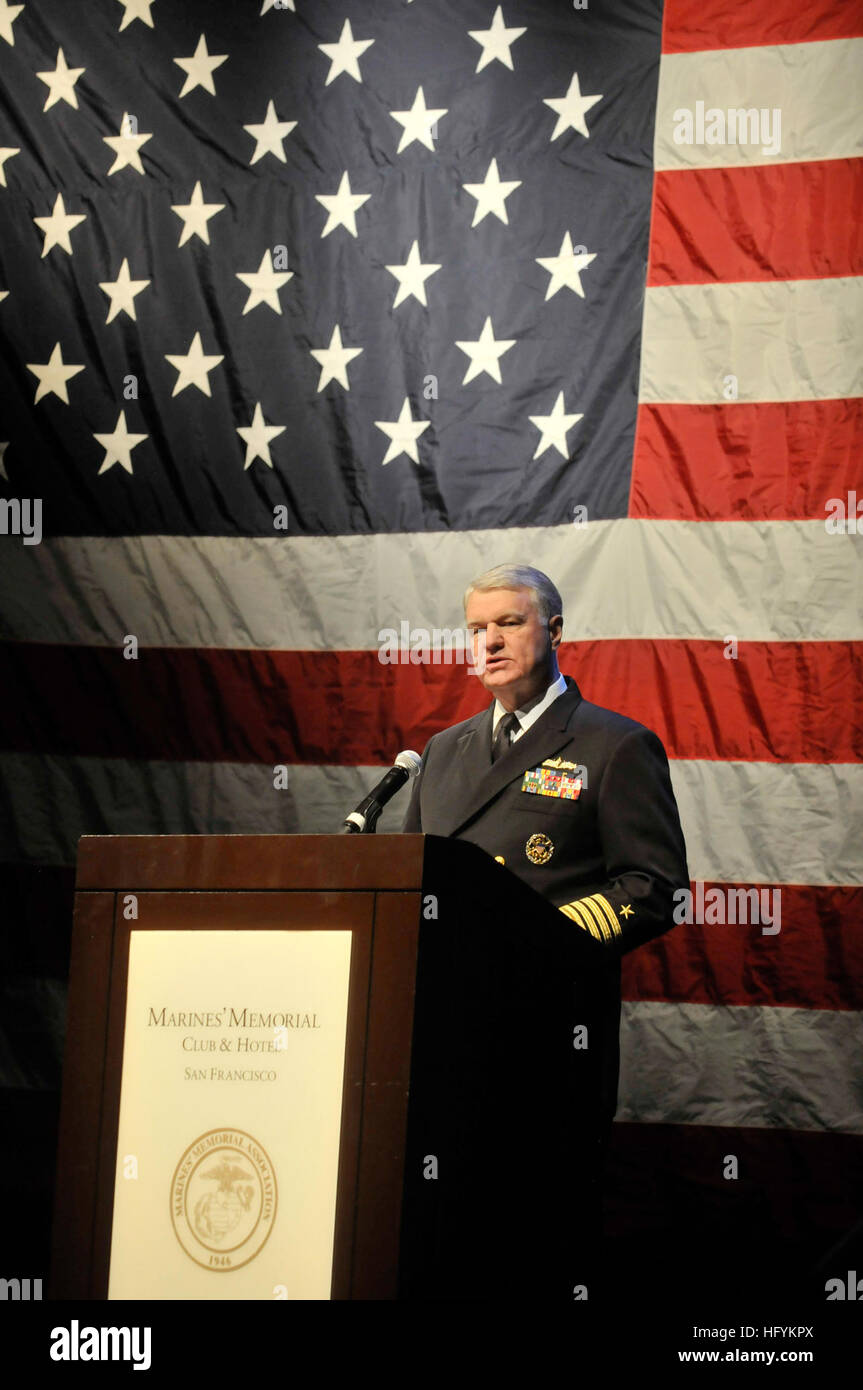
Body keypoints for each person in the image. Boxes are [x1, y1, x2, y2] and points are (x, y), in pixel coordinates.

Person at [402, 563, 689, 1295]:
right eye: (475, 629)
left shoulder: (612, 745)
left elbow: (652, 888)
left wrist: (536, 938)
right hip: (442, 1040)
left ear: (554, 631)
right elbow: (408, 882)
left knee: (533, 1246)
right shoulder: (440, 753)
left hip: (549, 1039)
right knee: (447, 1240)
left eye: (508, 623)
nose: (488, 642)